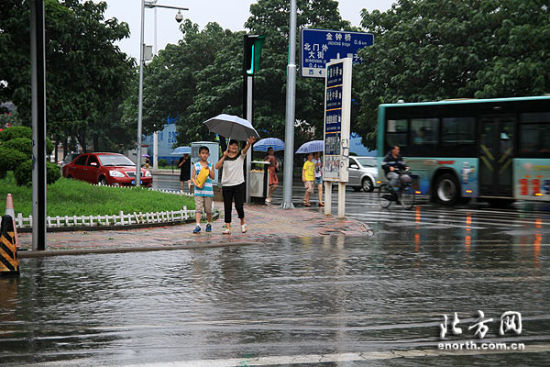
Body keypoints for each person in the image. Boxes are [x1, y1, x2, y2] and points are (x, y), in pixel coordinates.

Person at [215, 137, 256, 234]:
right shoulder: (224, 156)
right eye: (232, 145)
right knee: (227, 206)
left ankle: (242, 223)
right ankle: (228, 227)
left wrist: (249, 143)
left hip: (238, 184)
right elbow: (217, 166)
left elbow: (245, 150)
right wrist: (224, 156)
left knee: (239, 205)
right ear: (228, 146)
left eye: (236, 145)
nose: (234, 147)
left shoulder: (240, 156)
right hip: (227, 185)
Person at [191, 146, 215, 233]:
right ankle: (197, 225)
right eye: (202, 153)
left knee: (208, 209)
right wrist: (195, 183)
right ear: (199, 154)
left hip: (208, 191)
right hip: (198, 191)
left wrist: (209, 169)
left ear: (208, 155)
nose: (204, 155)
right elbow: (193, 177)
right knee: (198, 208)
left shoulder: (210, 165)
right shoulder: (196, 165)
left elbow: (213, 177)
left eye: (206, 153)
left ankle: (208, 224)